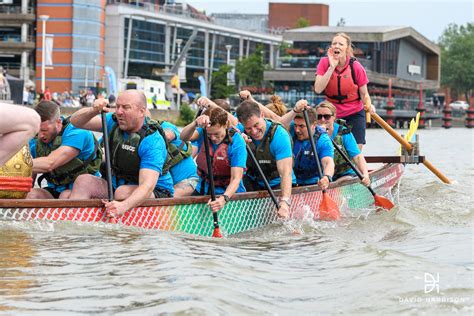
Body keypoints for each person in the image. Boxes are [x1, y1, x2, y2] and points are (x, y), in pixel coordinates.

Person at [69, 90, 174, 218]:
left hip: (156, 192)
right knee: (83, 181)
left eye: (126, 107)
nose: (119, 112)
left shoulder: (152, 141)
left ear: (141, 111)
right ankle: (75, 225)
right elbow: (75, 122)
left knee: (121, 192)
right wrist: (93, 110)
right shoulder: (112, 122)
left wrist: (122, 207)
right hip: (117, 184)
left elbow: (146, 187)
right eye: (117, 106)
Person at [27, 101, 102, 199]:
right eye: (38, 130)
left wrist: (18, 165)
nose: (40, 135)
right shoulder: (35, 140)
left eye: (45, 130)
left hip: (83, 190)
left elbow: (50, 163)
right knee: (30, 195)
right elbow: (30, 174)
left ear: (58, 123)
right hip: (55, 190)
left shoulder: (77, 132)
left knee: (65, 195)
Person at [314, 32, 375, 150]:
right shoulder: (324, 63)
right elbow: (318, 88)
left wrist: (369, 104)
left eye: (340, 44)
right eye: (334, 44)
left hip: (354, 112)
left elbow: (364, 94)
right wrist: (331, 67)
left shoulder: (356, 66)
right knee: (330, 147)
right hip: (331, 114)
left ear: (347, 49)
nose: (336, 46)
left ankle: (354, 167)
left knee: (355, 150)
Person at [235, 100, 295, 218]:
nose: (254, 131)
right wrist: (238, 144)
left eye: (256, 125)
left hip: (277, 183)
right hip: (252, 181)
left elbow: (285, 173)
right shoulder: (238, 132)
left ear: (262, 115)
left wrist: (284, 202)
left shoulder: (279, 135)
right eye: (248, 128)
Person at [180, 106, 247, 212]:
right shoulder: (203, 131)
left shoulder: (237, 142)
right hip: (204, 189)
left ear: (225, 125)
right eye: (209, 134)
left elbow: (236, 178)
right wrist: (195, 124)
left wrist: (224, 199)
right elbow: (183, 137)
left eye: (217, 134)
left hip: (229, 193)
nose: (213, 138)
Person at [280, 100, 335, 189]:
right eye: (295, 125)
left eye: (301, 126)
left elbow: (328, 162)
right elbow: (278, 122)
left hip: (313, 184)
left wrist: (326, 177)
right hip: (291, 182)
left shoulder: (323, 140)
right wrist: (294, 110)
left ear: (314, 125)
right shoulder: (290, 128)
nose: (297, 130)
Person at [315, 101, 370, 186]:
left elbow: (358, 157)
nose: (322, 120)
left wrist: (365, 175)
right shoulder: (311, 132)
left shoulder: (343, 132)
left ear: (334, 117)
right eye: (319, 117)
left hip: (344, 175)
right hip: (322, 176)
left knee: (344, 180)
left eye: (327, 117)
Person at [159, 120, 199, 197]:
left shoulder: (165, 126)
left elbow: (168, 136)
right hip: (168, 185)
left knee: (167, 197)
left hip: (191, 180)